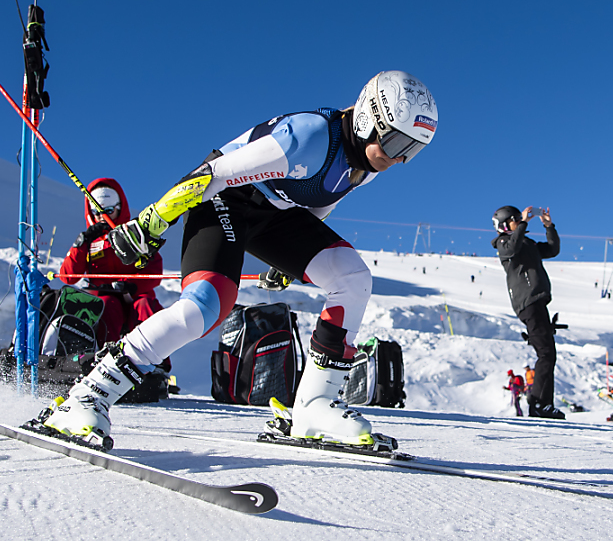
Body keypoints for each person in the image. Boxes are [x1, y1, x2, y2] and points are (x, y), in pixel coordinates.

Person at [38, 71, 438, 450]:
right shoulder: (310, 137)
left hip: (275, 215)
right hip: (223, 199)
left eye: (412, 151)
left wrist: (289, 260)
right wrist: (150, 222)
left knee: (352, 277)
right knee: (205, 307)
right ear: (370, 117)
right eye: (397, 144)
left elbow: (317, 205)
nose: (399, 159)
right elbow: (211, 173)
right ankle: (87, 397)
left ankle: (314, 407)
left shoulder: (364, 166)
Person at [56, 178, 166, 348]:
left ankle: (156, 363)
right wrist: (81, 243)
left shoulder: (134, 234)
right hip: (102, 295)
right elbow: (67, 277)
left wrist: (130, 285)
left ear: (119, 208)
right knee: (106, 306)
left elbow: (154, 270)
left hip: (134, 294)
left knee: (145, 307)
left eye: (108, 210)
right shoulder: (89, 241)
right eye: (97, 212)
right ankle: (104, 358)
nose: (102, 217)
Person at [491, 205, 564, 419]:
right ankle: (539, 404)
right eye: (515, 220)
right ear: (505, 225)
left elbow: (552, 249)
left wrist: (548, 226)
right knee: (546, 354)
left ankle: (542, 404)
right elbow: (512, 249)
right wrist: (522, 224)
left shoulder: (527, 243)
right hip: (528, 302)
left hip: (539, 302)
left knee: (548, 354)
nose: (521, 222)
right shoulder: (503, 244)